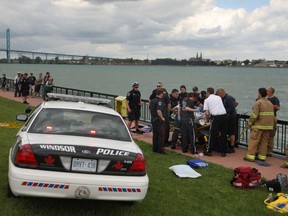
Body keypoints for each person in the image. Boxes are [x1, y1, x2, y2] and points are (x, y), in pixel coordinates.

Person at [245, 88, 275, 162]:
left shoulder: (258, 103)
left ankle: (250, 157)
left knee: (254, 141)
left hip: (258, 126)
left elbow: (254, 115)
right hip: (268, 127)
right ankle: (262, 157)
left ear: (260, 94)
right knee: (264, 143)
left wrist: (249, 123)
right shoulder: (270, 103)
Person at [203, 87, 228, 157]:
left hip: (216, 117)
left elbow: (207, 113)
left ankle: (209, 151)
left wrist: (207, 120)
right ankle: (224, 151)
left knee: (212, 134)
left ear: (208, 92)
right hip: (224, 116)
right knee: (224, 134)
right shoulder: (218, 98)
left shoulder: (207, 100)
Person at [216, 88, 238, 153]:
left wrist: (224, 112)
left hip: (231, 118)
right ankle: (226, 145)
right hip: (226, 117)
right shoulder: (223, 98)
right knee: (226, 132)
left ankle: (232, 147)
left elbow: (232, 107)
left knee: (231, 132)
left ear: (221, 93)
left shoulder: (229, 98)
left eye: (218, 95)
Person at [149, 89, 166, 154]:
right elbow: (159, 111)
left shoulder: (153, 100)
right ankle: (160, 149)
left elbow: (150, 108)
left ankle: (155, 148)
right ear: (161, 94)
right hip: (159, 120)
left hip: (153, 119)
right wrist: (162, 118)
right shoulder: (159, 101)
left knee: (155, 134)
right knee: (161, 135)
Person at [266, 86, 280, 157]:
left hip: (272, 118)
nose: (266, 92)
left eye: (267, 90)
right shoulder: (267, 99)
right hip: (267, 119)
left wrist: (269, 105)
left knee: (271, 135)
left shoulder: (275, 99)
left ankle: (269, 152)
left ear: (271, 92)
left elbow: (278, 107)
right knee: (266, 135)